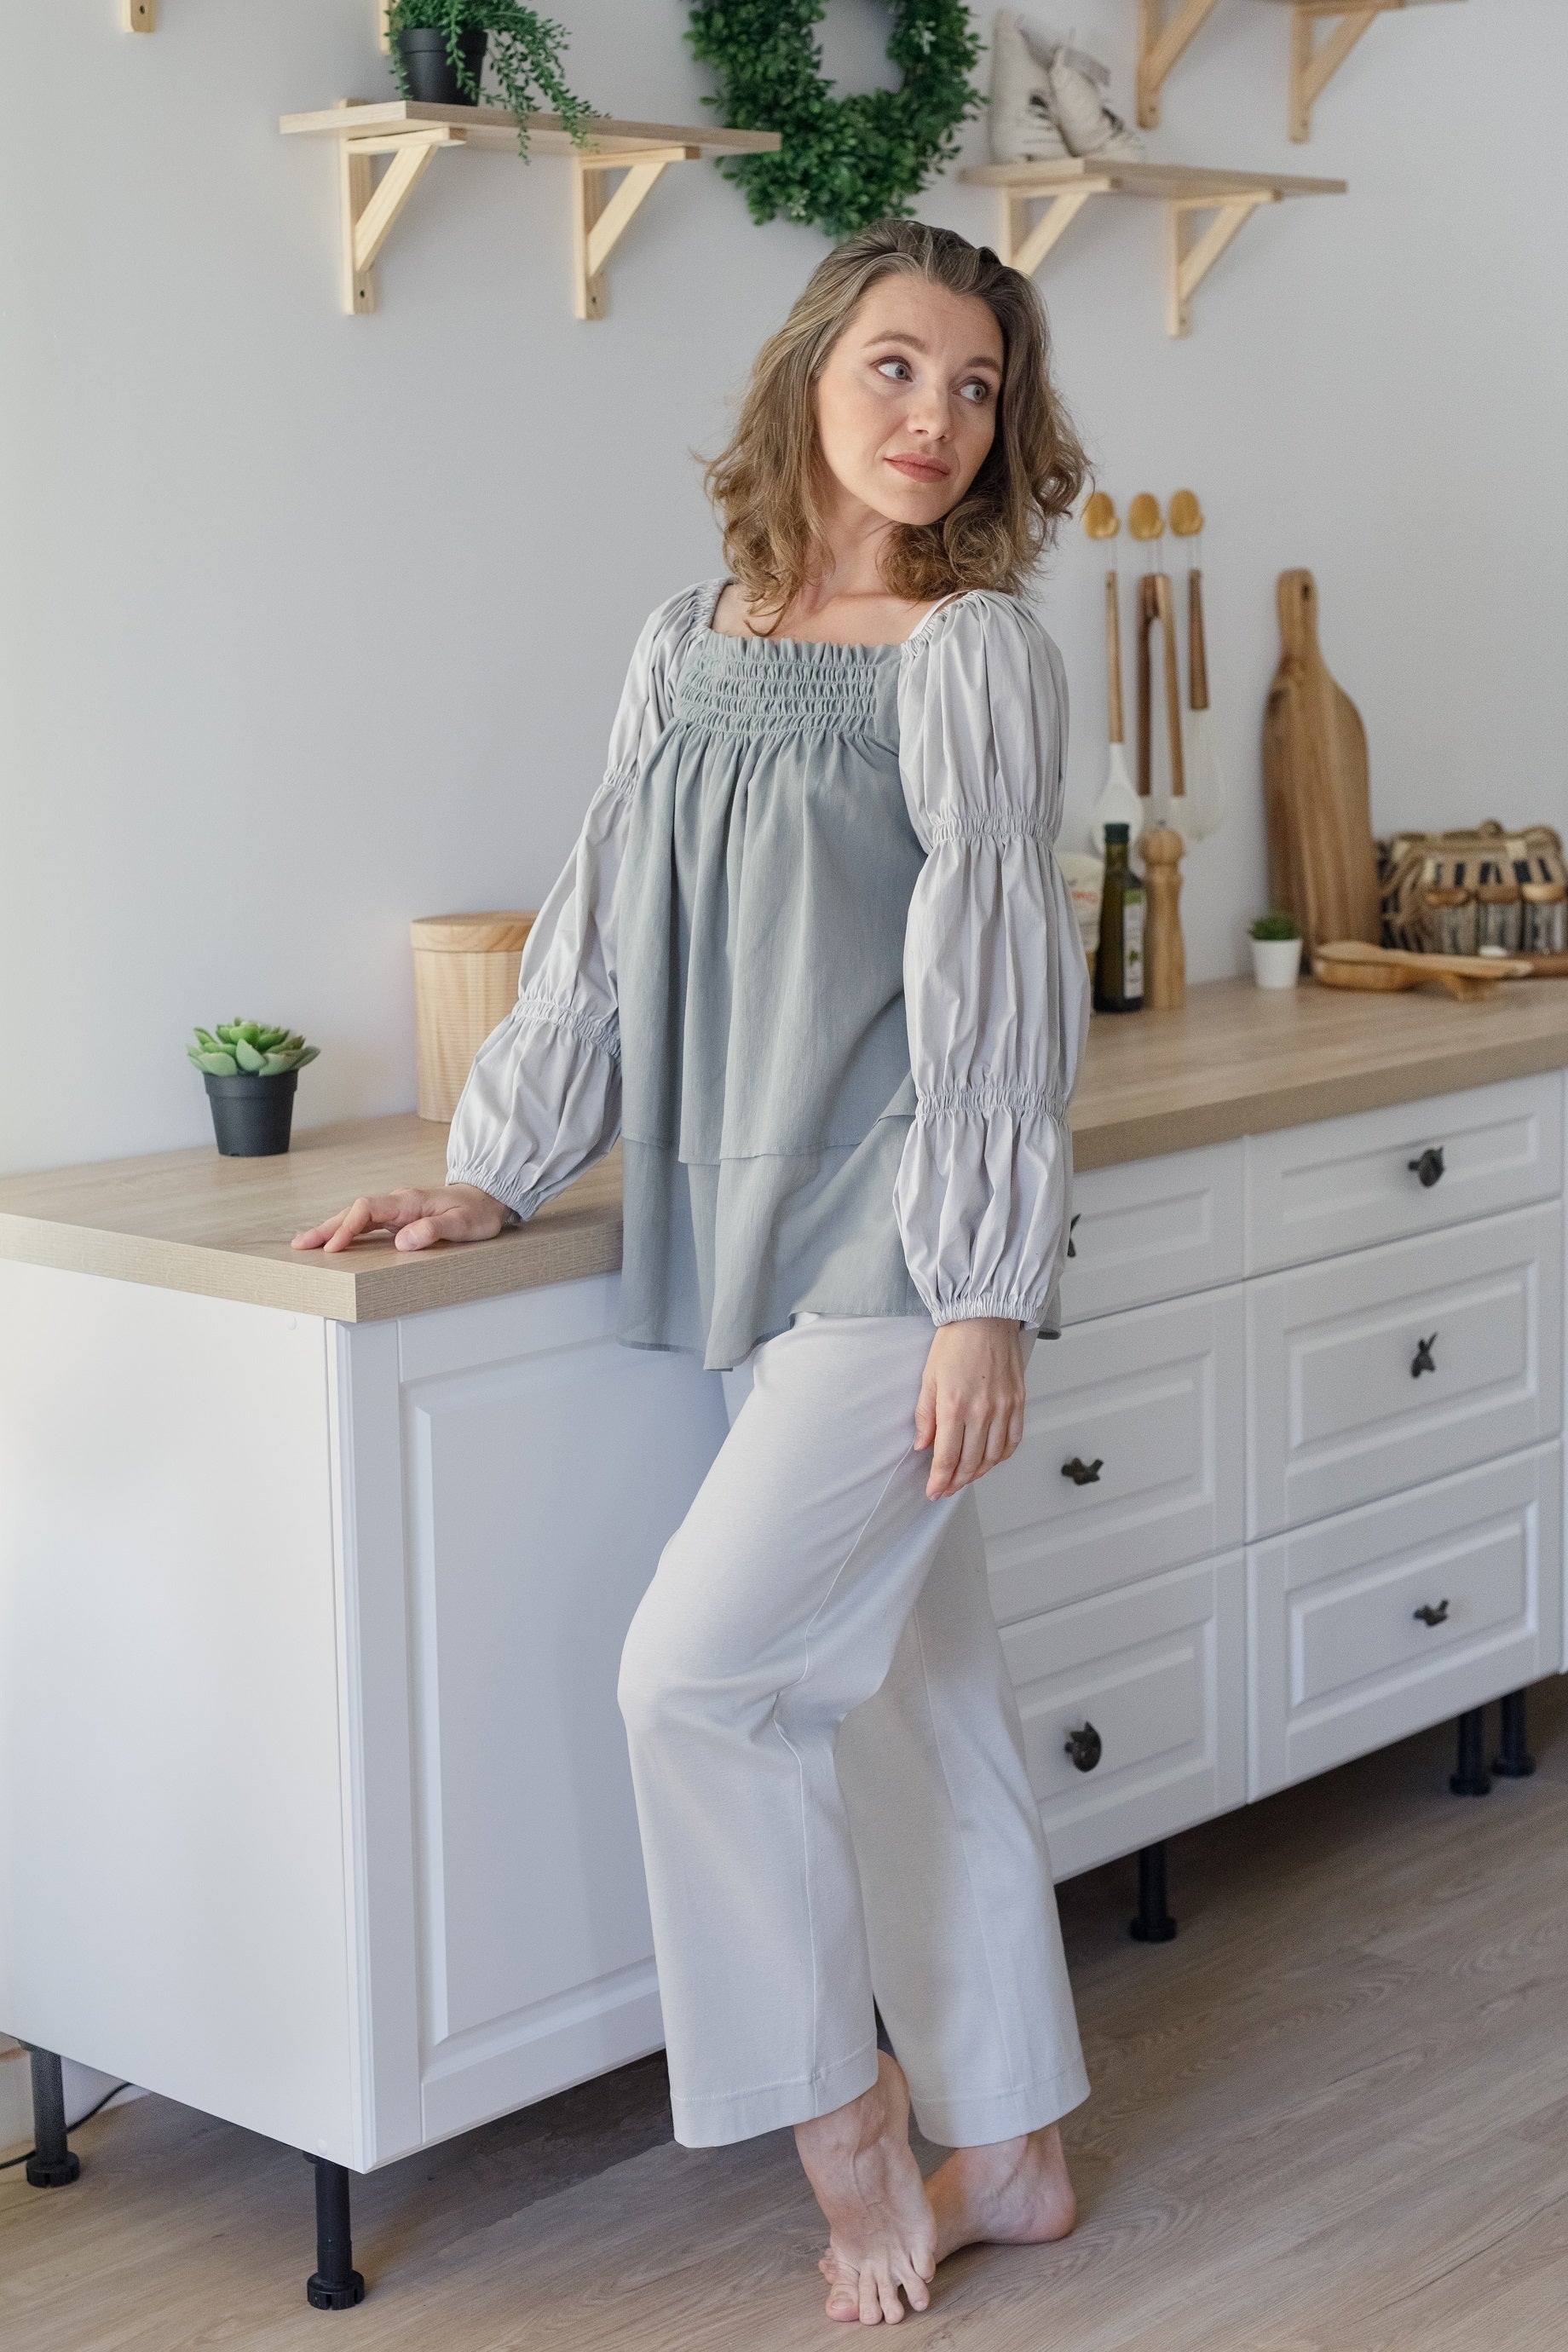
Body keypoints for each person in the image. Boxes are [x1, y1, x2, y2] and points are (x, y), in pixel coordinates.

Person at [293, 218, 1092, 2328]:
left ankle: (845, 2128)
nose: (935, 417)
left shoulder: (973, 656)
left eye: (977, 385)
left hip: (895, 1244)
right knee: (913, 1701)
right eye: (896, 366)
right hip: (727, 1221)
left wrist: (984, 1289)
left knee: (695, 1682)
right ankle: (1013, 2149)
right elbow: (597, 930)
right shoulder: (687, 637)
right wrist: (493, 1169)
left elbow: (995, 983)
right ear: (809, 372)